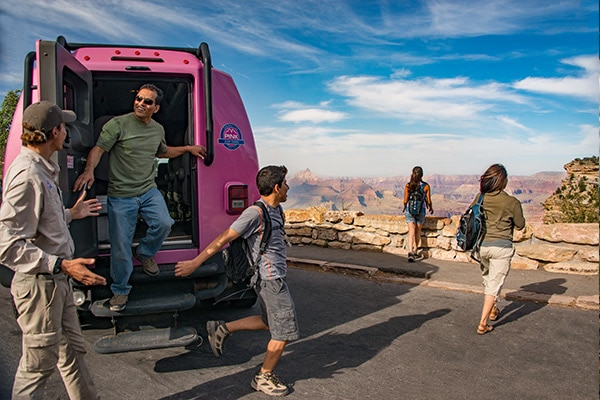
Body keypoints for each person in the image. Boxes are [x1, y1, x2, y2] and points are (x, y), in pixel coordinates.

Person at [0, 101, 107, 399]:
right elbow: (6, 245)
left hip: (55, 284)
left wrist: (72, 213)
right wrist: (60, 264)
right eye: (64, 127)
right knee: (37, 367)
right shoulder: (27, 175)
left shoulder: (43, 169)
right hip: (39, 287)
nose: (67, 132)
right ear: (55, 132)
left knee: (73, 354)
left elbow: (40, 220)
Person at [73, 83, 207, 312]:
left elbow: (162, 152)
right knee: (120, 247)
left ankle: (145, 253)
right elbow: (98, 149)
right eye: (139, 99)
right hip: (121, 196)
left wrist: (187, 148)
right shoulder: (118, 124)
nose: (141, 104)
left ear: (155, 108)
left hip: (147, 190)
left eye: (147, 101)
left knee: (164, 224)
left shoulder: (157, 129)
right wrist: (89, 171)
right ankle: (120, 291)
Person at [175, 165, 298, 397]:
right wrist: (195, 263)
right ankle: (263, 377)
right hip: (270, 280)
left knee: (269, 322)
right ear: (276, 187)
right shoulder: (255, 213)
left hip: (274, 278)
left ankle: (222, 328)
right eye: (285, 183)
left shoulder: (277, 210)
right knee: (283, 332)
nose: (288, 187)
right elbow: (224, 238)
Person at [474, 163, 525, 335]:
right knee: (493, 285)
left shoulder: (480, 198)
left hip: (482, 247)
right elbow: (520, 225)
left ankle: (493, 308)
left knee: (488, 279)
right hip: (501, 247)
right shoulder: (511, 202)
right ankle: (483, 323)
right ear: (503, 182)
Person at [402, 166, 433, 262]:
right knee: (418, 231)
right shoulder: (426, 186)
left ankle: (410, 252)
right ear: (422, 175)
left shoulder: (408, 186)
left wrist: (405, 207)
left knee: (411, 231)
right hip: (421, 210)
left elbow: (405, 200)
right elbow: (428, 200)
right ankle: (415, 250)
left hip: (410, 210)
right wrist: (430, 208)